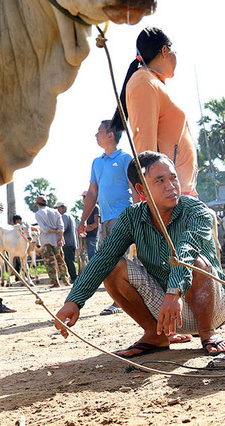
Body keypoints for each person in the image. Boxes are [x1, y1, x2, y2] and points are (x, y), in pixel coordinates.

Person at [55, 151, 225, 357]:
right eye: (160, 180)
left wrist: (174, 291)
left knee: (194, 260)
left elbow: (186, 249)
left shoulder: (196, 210)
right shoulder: (131, 217)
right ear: (141, 190)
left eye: (173, 178)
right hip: (165, 312)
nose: (171, 186)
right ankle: (155, 335)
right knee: (112, 267)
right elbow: (103, 258)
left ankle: (207, 333)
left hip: (212, 309)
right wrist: (73, 302)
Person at [112, 27, 198, 196]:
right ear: (165, 50)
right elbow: (145, 149)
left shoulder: (152, 81)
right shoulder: (143, 80)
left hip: (178, 193)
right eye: (175, 51)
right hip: (169, 197)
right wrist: (153, 203)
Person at [79, 119, 135, 315]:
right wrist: (83, 219)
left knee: (117, 258)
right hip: (105, 219)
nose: (96, 135)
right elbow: (92, 193)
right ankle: (121, 299)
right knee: (107, 260)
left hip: (124, 215)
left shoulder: (126, 158)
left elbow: (134, 187)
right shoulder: (96, 162)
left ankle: (120, 302)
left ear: (111, 134)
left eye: (99, 131)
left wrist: (140, 213)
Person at [34, 196, 70, 287]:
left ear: (38, 204)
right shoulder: (55, 212)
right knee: (61, 260)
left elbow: (44, 229)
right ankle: (66, 281)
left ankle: (55, 282)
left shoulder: (38, 214)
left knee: (49, 262)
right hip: (57, 239)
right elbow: (61, 227)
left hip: (46, 240)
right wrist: (60, 237)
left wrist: (54, 231)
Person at [56, 203, 78, 284]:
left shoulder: (64, 216)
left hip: (67, 242)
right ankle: (73, 277)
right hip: (72, 241)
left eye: (58, 208)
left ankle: (74, 278)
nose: (57, 210)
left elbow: (63, 228)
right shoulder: (71, 216)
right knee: (71, 260)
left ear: (63, 208)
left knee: (69, 261)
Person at [79, 191, 101, 265]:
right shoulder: (86, 209)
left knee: (93, 258)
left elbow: (96, 224)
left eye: (84, 197)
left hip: (92, 236)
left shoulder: (95, 207)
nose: (83, 199)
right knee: (89, 258)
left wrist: (85, 229)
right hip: (87, 236)